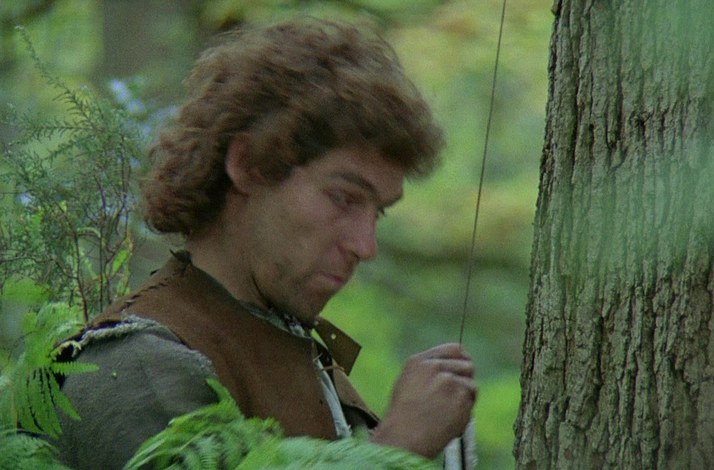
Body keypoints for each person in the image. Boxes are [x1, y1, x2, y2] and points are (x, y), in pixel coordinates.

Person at [56, 18, 476, 468]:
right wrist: (398, 446)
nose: (365, 246)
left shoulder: (299, 350)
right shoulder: (134, 365)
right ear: (248, 165)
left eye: (378, 212)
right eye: (343, 197)